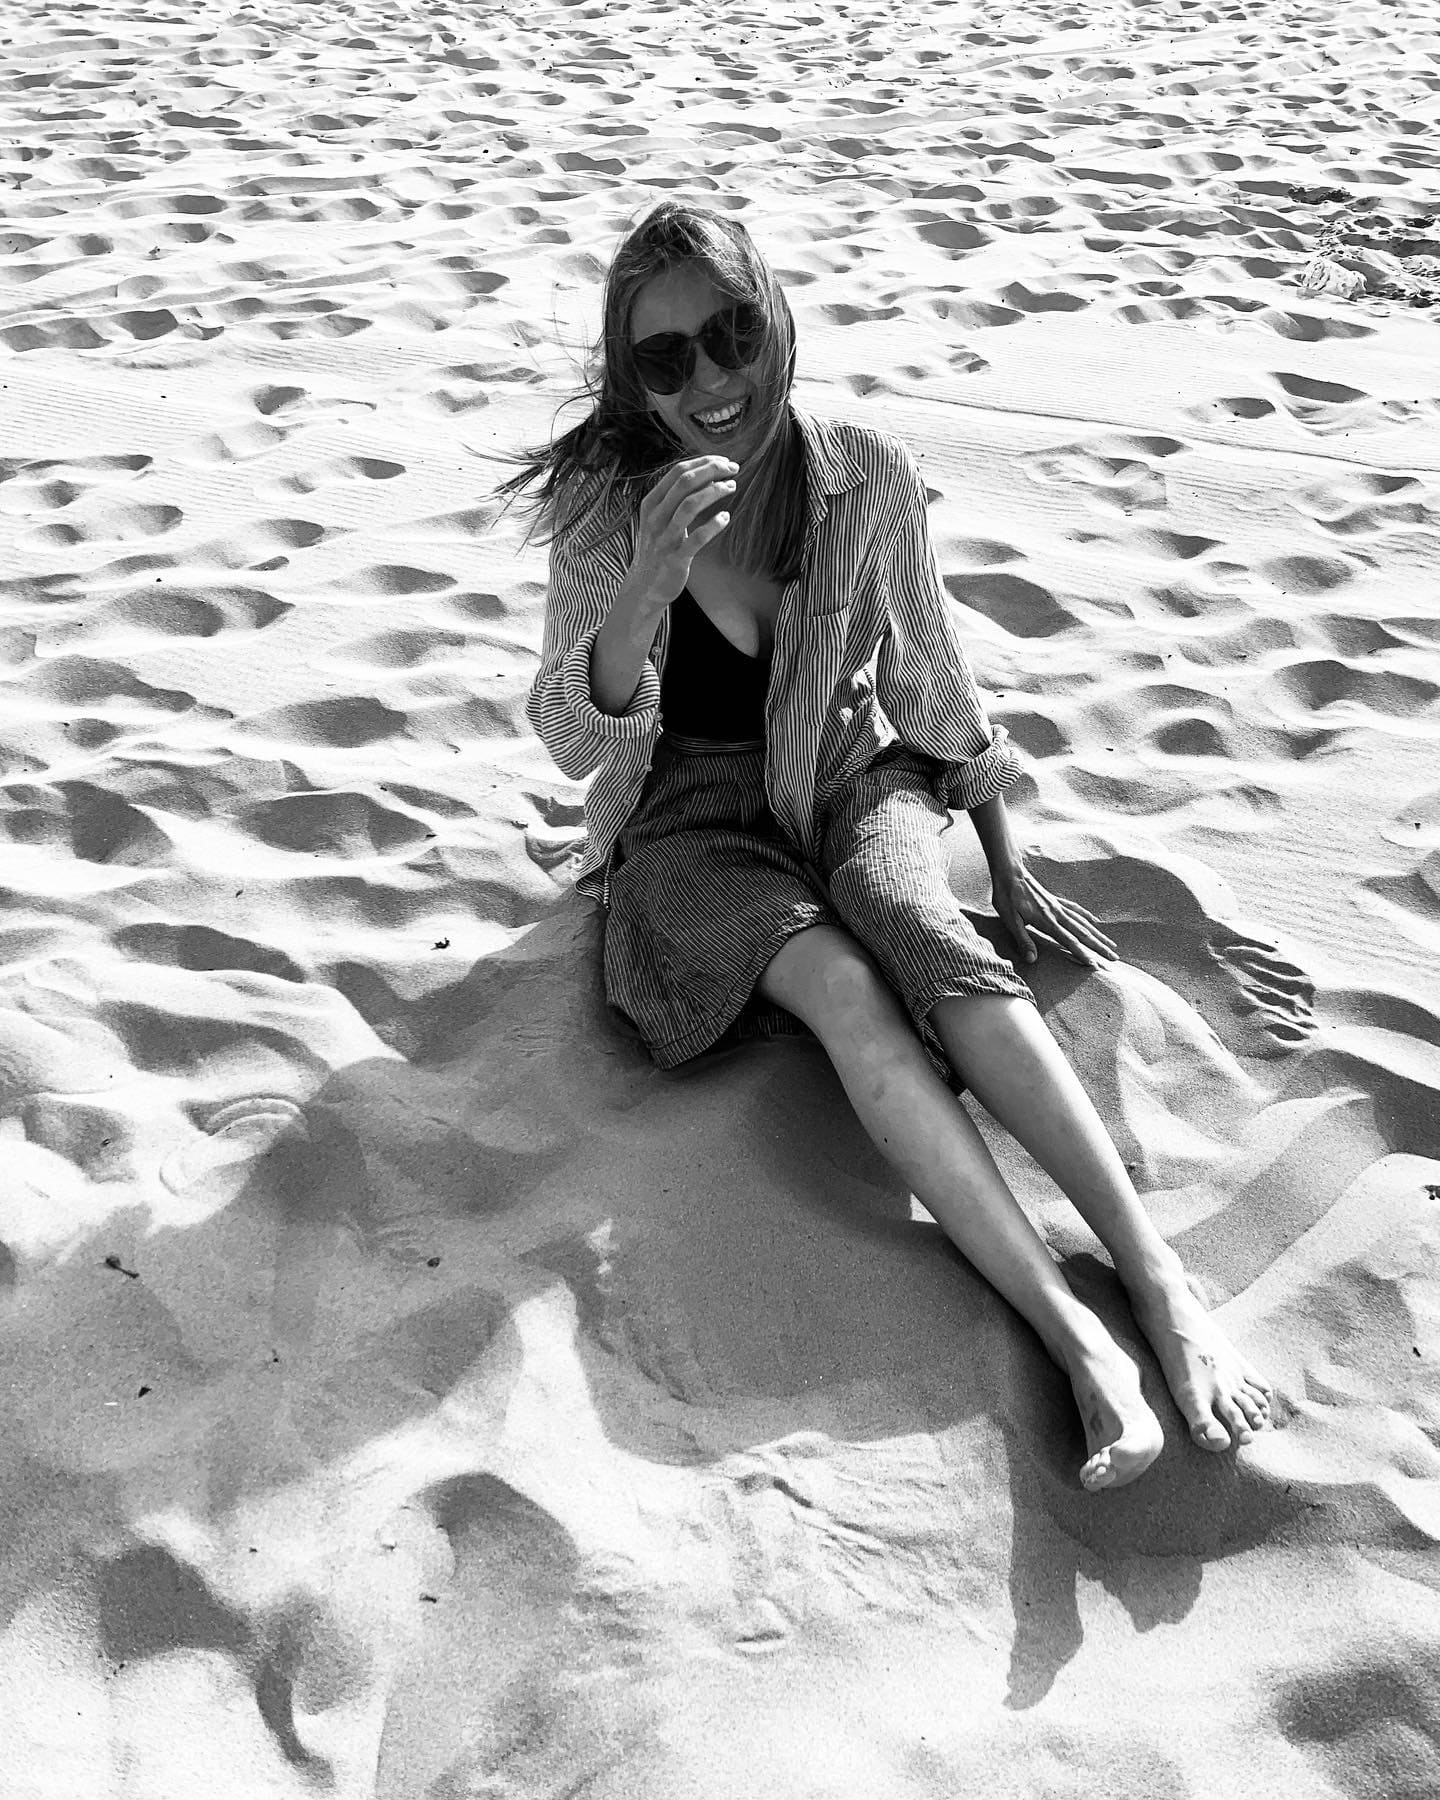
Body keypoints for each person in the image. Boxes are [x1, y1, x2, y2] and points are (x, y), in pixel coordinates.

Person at [503, 198, 1271, 1491]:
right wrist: (641, 586)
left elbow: (930, 675)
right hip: (686, 827)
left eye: (733, 333)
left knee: (930, 937)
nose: (711, 380)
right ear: (633, 378)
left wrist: (1003, 854)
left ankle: (1159, 1279)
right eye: (667, 357)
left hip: (847, 774)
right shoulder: (604, 511)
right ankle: (1077, 1339)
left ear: (776, 320)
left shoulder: (861, 475)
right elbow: (573, 739)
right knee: (847, 989)